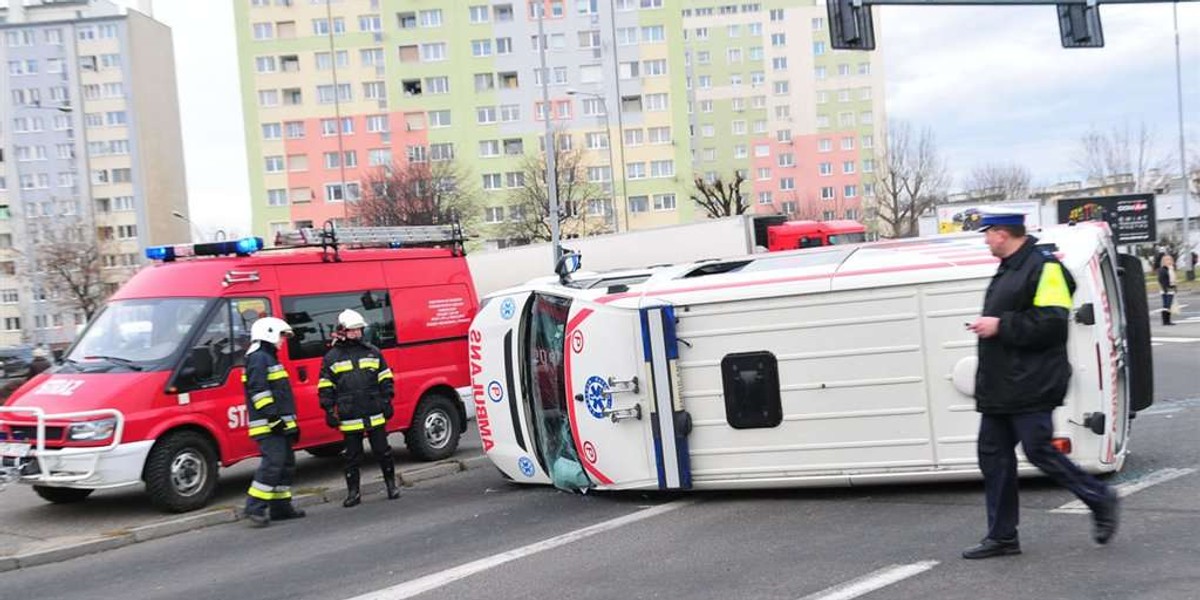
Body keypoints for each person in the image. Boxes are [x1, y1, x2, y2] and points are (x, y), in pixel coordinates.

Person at [962, 210, 1119, 559]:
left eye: (987, 233)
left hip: (1031, 383)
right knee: (993, 456)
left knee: (1038, 450)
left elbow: (1051, 325)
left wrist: (999, 325)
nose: (985, 239)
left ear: (1003, 233)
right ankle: (1002, 537)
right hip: (1003, 385)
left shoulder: (1044, 267)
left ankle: (1100, 498)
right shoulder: (1011, 268)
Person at [318, 309, 400, 507]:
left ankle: (391, 486)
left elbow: (385, 378)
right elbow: (325, 386)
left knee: (383, 451)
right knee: (352, 457)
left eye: (359, 330)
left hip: (374, 410)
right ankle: (353, 493)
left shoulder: (373, 351)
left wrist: (387, 400)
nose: (357, 333)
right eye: (353, 330)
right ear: (342, 331)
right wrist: (328, 410)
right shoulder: (332, 357)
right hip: (350, 413)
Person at [242, 316, 305, 527]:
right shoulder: (259, 358)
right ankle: (254, 507)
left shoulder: (269, 358)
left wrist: (290, 425)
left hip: (279, 423)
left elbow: (282, 397)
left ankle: (281, 507)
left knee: (286, 464)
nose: (283, 341)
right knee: (272, 464)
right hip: (268, 425)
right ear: (268, 334)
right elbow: (259, 391)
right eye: (281, 336)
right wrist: (273, 418)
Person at [1158, 253, 1178, 326]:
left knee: (1168, 305)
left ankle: (1167, 320)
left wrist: (1175, 288)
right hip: (1166, 289)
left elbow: (1173, 279)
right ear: (1163, 261)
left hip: (1171, 289)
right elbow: (1161, 280)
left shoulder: (1171, 268)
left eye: (1170, 259)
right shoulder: (1162, 269)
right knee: (1166, 305)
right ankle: (1165, 321)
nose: (1169, 261)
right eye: (1167, 260)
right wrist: (1165, 289)